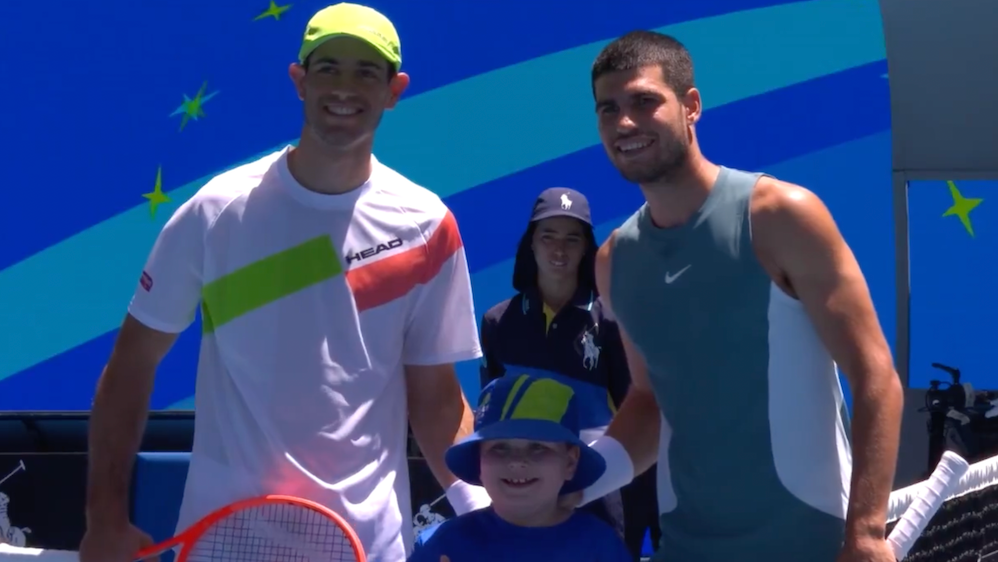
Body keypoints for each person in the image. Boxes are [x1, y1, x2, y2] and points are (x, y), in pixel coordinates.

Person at [78, 4, 491, 562]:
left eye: (367, 72)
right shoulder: (215, 212)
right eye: (329, 68)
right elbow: (130, 368)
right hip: (220, 545)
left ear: (395, 90)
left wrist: (487, 517)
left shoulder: (426, 225)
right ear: (299, 81)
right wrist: (104, 518)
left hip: (369, 548)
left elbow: (437, 400)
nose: (345, 86)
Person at [576, 31, 904, 562]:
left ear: (691, 107)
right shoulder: (614, 261)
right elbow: (649, 402)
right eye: (608, 109)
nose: (625, 123)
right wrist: (574, 482)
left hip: (811, 549)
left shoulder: (781, 216)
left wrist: (865, 533)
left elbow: (875, 377)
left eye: (644, 101)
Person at [477, 187, 659, 556]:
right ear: (531, 244)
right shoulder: (498, 321)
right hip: (525, 481)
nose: (559, 250)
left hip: (597, 484)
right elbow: (493, 417)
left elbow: (638, 414)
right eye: (548, 237)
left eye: (571, 239)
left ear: (585, 248)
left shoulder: (611, 319)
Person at [407, 374, 633, 562]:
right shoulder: (442, 545)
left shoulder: (599, 546)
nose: (516, 461)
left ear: (570, 462)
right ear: (479, 462)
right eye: (500, 447)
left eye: (537, 447)